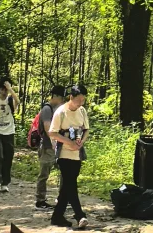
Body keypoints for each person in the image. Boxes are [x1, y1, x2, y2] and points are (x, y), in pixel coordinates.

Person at [48, 83, 89, 229]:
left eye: (83, 101)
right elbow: (52, 133)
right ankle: (80, 215)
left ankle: (57, 216)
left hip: (77, 153)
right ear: (71, 97)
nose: (80, 103)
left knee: (67, 186)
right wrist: (68, 142)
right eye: (78, 100)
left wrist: (80, 143)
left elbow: (86, 130)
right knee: (71, 184)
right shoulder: (61, 112)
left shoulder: (82, 111)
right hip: (64, 153)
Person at [35, 82, 66, 210]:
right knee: (44, 174)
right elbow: (48, 129)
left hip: (58, 147)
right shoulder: (47, 109)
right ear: (55, 96)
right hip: (48, 148)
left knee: (64, 172)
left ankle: (63, 197)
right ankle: (40, 200)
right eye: (61, 98)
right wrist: (54, 144)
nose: (63, 101)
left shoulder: (57, 110)